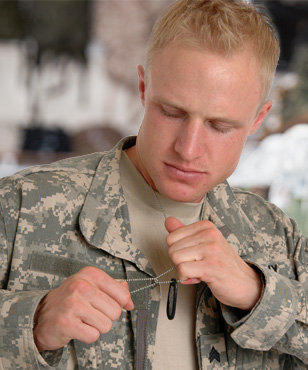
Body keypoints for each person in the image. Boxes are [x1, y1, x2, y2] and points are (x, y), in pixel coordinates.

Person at [0, 0, 307, 369]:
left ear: (258, 119)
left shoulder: (278, 238)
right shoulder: (20, 206)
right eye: (172, 113)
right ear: (144, 88)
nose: (188, 149)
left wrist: (258, 294)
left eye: (219, 126)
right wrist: (30, 322)